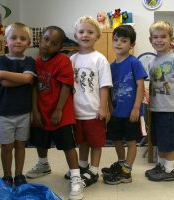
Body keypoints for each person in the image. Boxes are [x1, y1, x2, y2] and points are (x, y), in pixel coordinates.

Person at [26, 26, 85, 200]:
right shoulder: (36, 61)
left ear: (60, 47)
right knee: (40, 141)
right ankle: (43, 164)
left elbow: (66, 86)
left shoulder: (63, 60)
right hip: (42, 110)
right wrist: (35, 110)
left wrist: (58, 110)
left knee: (68, 146)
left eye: (54, 43)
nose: (47, 45)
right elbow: (35, 87)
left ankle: (76, 177)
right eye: (45, 39)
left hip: (61, 113)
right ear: (40, 39)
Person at [66, 16, 112, 187]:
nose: (85, 35)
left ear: (97, 36)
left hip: (94, 111)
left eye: (90, 32)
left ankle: (93, 170)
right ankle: (83, 166)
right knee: (82, 141)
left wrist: (103, 108)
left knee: (96, 142)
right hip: (77, 111)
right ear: (76, 35)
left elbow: (105, 86)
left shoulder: (100, 59)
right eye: (81, 32)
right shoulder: (72, 59)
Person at [101, 25, 148, 185]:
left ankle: (127, 171)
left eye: (124, 40)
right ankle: (121, 163)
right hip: (116, 112)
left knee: (131, 141)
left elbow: (140, 86)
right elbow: (107, 87)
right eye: (116, 40)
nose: (118, 43)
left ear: (132, 45)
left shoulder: (134, 62)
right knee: (115, 139)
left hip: (131, 112)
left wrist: (136, 108)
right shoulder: (111, 66)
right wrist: (109, 107)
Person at [144, 21, 174, 182]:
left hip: (170, 109)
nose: (159, 40)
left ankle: (168, 171)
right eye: (155, 37)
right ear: (150, 40)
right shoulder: (151, 62)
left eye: (163, 36)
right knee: (159, 140)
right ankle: (161, 165)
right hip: (156, 108)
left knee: (168, 141)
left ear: (171, 39)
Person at [0, 22, 36, 187]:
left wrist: (2, 74)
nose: (18, 41)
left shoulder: (30, 61)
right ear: (6, 41)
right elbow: (5, 84)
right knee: (6, 147)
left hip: (24, 112)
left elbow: (27, 79)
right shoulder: (2, 60)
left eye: (23, 38)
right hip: (4, 112)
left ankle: (19, 175)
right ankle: (7, 176)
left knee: (20, 146)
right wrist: (23, 79)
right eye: (13, 37)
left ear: (29, 43)